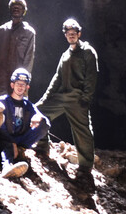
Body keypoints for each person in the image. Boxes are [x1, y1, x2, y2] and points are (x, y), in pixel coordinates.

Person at [36, 18, 98, 184]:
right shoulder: (65, 54)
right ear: (65, 35)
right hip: (61, 97)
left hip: (77, 99)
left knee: (83, 131)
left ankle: (85, 168)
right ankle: (42, 145)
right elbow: (57, 78)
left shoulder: (88, 52)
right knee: (39, 112)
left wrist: (86, 98)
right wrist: (47, 97)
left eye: (74, 33)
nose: (71, 36)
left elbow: (91, 77)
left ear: (79, 33)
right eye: (68, 34)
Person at [0, 68, 50, 179]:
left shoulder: (28, 104)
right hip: (5, 138)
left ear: (27, 87)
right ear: (12, 85)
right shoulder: (3, 101)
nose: (20, 87)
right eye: (18, 84)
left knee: (43, 124)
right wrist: (11, 141)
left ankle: (20, 150)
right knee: (6, 145)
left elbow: (46, 123)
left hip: (20, 139)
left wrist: (37, 117)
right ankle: (6, 168)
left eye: (23, 85)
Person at [0, 0, 36, 94]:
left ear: (24, 11)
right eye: (14, 7)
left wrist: (24, 79)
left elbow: (29, 58)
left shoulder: (29, 32)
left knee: (17, 107)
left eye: (19, 8)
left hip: (18, 79)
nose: (16, 9)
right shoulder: (2, 30)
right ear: (10, 10)